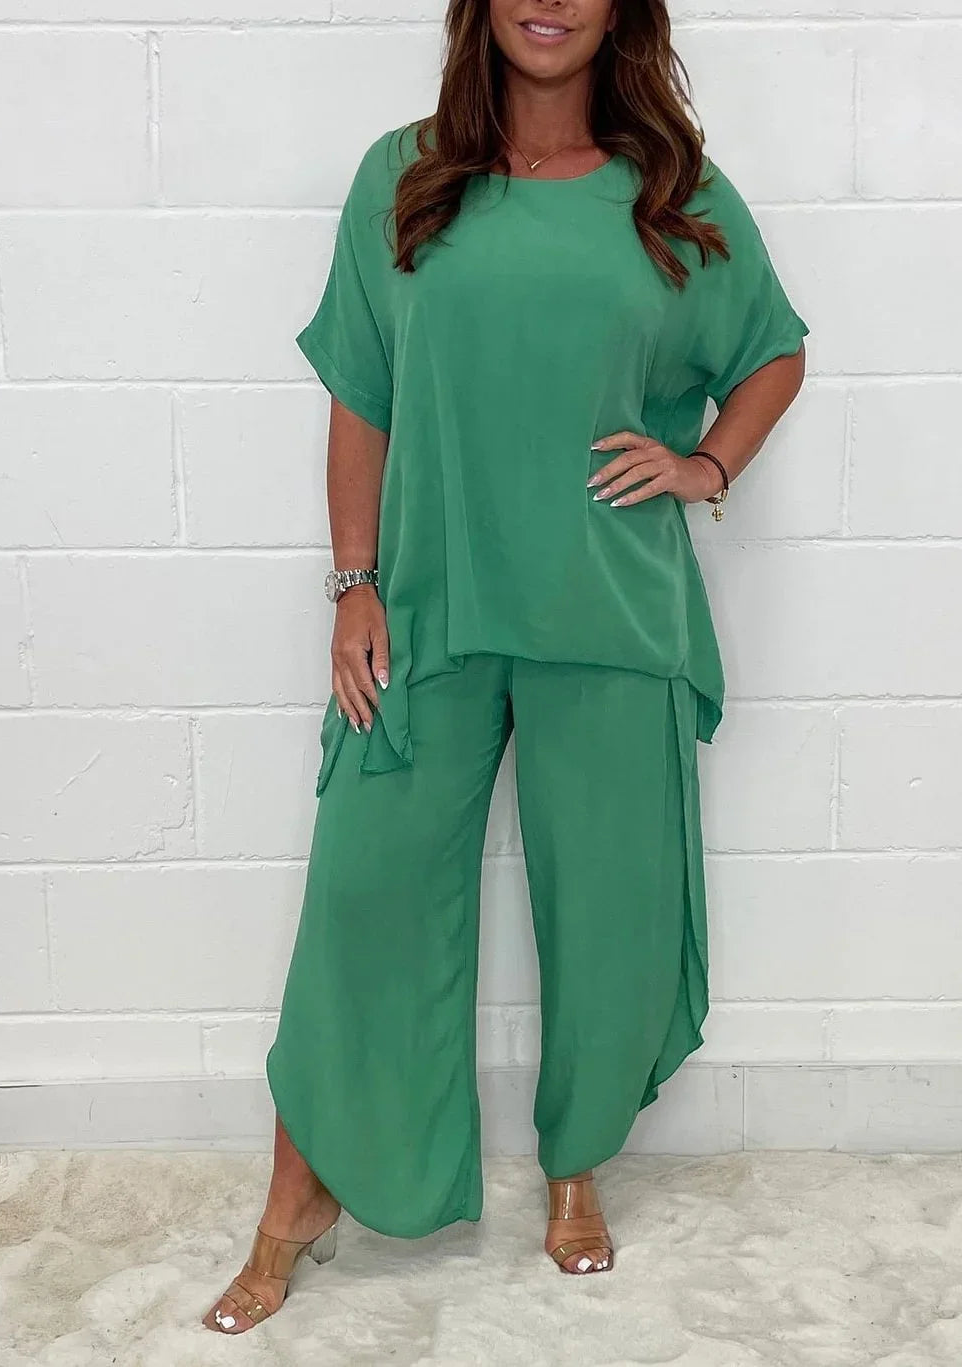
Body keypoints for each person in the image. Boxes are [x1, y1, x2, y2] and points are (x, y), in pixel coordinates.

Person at [204, 0, 808, 1335]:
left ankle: (576, 1163)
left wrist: (705, 465)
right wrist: (354, 585)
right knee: (366, 893)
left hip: (612, 604)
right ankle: (302, 1192)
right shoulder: (405, 176)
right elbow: (360, 394)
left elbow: (774, 350)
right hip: (430, 603)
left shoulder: (673, 190)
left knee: (609, 903)